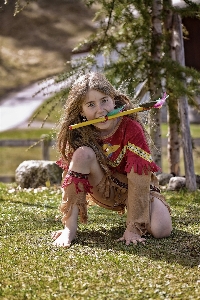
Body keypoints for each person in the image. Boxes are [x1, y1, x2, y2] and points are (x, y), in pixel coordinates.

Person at [52, 72, 172, 247]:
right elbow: (71, 180)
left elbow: (139, 179)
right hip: (103, 188)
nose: (100, 110)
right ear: (81, 111)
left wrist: (133, 228)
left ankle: (135, 218)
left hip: (136, 189)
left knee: (162, 229)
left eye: (104, 100)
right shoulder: (79, 133)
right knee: (82, 154)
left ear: (114, 100)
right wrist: (68, 228)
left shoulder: (131, 128)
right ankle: (70, 229)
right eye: (91, 105)